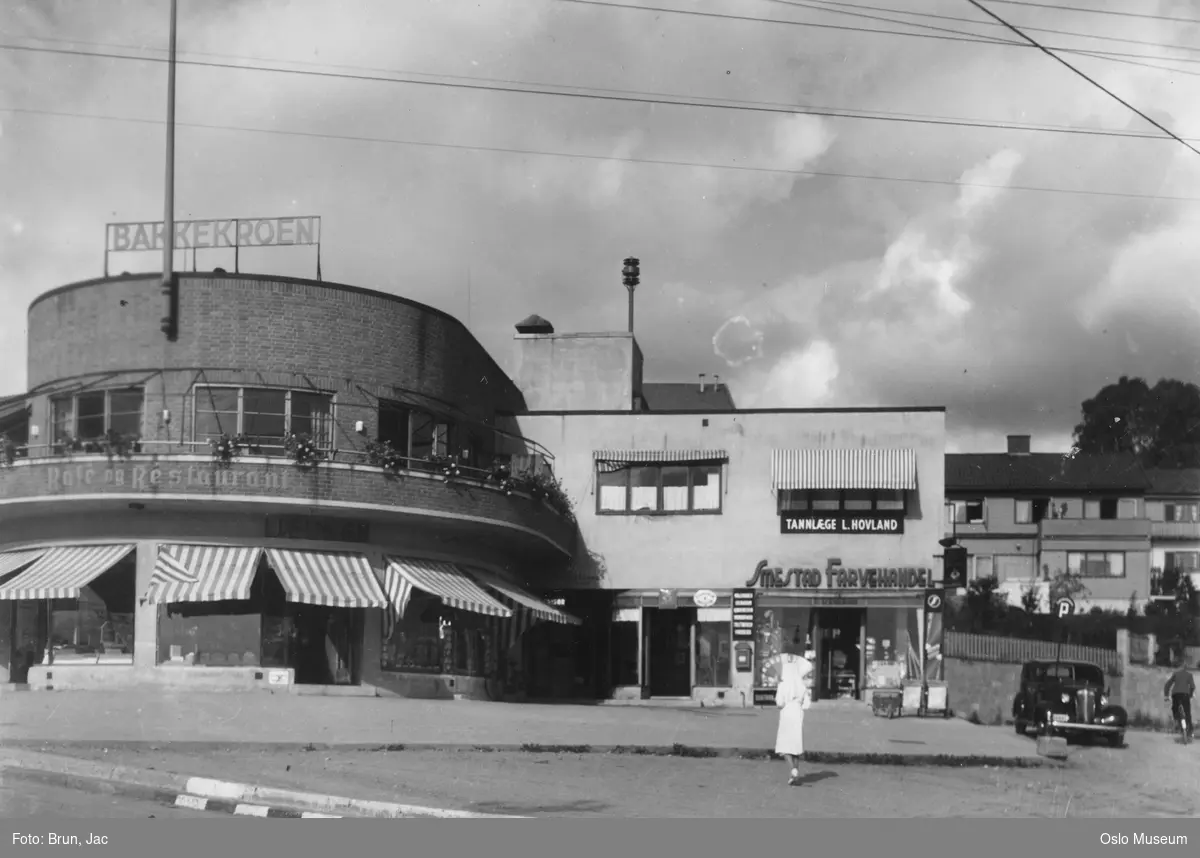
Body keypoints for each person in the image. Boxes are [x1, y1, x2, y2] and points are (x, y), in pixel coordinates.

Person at [775, 627, 815, 786]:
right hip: (798, 711)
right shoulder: (801, 681)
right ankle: (795, 771)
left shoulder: (783, 681)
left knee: (784, 745)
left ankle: (792, 770)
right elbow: (807, 703)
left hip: (787, 711)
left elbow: (779, 702)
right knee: (796, 744)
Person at [1164, 660, 1195, 739]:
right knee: (1187, 712)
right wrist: (1191, 695)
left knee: (1175, 708)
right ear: (1185, 667)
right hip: (1185, 695)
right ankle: (1190, 730)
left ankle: (1177, 722)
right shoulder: (1189, 675)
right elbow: (1192, 686)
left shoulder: (1175, 674)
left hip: (1176, 695)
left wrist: (1166, 696)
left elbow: (1168, 684)